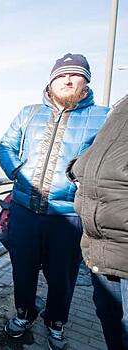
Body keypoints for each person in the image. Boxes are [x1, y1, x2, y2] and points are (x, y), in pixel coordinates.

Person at [0, 53, 109, 350]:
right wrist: (18, 171)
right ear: (51, 81)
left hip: (67, 215)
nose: (68, 79)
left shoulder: (103, 116)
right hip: (24, 209)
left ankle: (56, 322)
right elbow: (5, 145)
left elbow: (111, 162)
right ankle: (24, 313)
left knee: (62, 277)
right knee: (22, 269)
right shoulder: (29, 112)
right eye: (61, 75)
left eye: (76, 75)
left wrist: (86, 182)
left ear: (86, 81)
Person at [66, 95, 128, 350]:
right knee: (110, 318)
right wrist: (77, 169)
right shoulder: (122, 105)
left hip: (119, 238)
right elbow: (102, 154)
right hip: (104, 245)